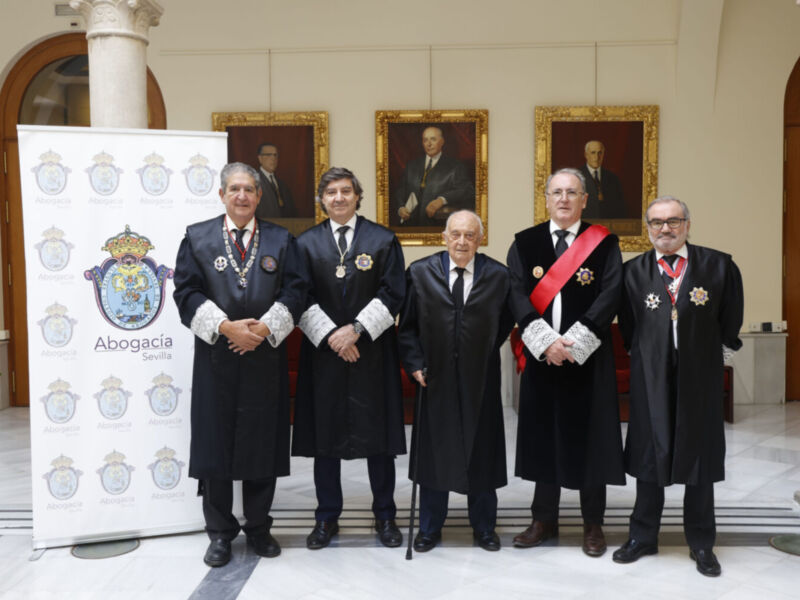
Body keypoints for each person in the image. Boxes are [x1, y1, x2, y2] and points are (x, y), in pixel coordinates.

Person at [173, 162, 306, 567]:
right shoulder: (197, 239)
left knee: (262, 445)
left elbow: (297, 289)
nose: (243, 196)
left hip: (264, 360)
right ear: (221, 194)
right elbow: (185, 293)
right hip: (217, 361)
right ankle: (220, 534)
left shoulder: (282, 241)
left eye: (249, 189)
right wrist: (228, 327)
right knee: (215, 448)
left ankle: (260, 527)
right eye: (235, 189)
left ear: (259, 195)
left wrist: (263, 329)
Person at [613, 196, 743, 577]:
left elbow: (730, 321)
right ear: (647, 227)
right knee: (649, 454)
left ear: (687, 224)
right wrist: (651, 357)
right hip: (650, 376)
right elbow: (629, 328)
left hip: (699, 378)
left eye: (673, 221)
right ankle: (642, 535)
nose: (665, 229)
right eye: (656, 222)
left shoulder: (719, 265)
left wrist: (704, 360)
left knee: (699, 457)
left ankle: (702, 541)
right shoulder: (632, 271)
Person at [507, 167, 625, 557]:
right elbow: (516, 294)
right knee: (544, 437)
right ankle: (543, 519)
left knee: (591, 438)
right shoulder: (525, 243)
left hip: (588, 359)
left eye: (572, 192)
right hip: (543, 359)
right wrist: (546, 343)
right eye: (556, 192)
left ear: (584, 200)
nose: (563, 199)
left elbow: (611, 293)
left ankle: (593, 524)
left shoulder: (605, 244)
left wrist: (574, 343)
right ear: (545, 198)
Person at [293, 166, 407, 550]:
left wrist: (355, 330)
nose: (339, 198)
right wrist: (332, 336)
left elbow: (395, 293)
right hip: (324, 356)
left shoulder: (383, 239)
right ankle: (326, 518)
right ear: (321, 200)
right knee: (325, 440)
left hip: (371, 354)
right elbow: (298, 295)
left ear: (358, 196)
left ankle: (386, 516)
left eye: (346, 191)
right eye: (331, 192)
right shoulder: (304, 244)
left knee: (379, 439)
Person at [398, 210, 514, 553]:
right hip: (433, 378)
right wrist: (415, 363)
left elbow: (505, 321)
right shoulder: (420, 273)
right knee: (435, 452)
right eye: (456, 235)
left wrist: (481, 348)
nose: (462, 241)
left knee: (482, 449)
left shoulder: (498, 276)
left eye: (470, 235)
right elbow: (407, 327)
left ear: (480, 239)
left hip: (481, 376)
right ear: (444, 237)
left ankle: (484, 527)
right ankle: (430, 527)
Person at [395, 126, 475, 226]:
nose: (429, 144)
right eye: (425, 140)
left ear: (442, 141)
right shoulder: (412, 165)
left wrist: (442, 200)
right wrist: (400, 208)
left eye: (433, 139)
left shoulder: (455, 166)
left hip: (438, 226)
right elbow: (400, 190)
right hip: (411, 226)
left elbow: (467, 190)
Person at [579, 140, 626, 219]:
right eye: (593, 153)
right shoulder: (576, 177)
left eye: (600, 153)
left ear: (603, 154)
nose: (597, 157)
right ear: (586, 155)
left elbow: (619, 208)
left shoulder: (613, 178)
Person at [255, 142, 296, 219]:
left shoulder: (282, 185)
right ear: (260, 158)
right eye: (268, 155)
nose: (273, 158)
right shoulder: (254, 182)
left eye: (275, 155)